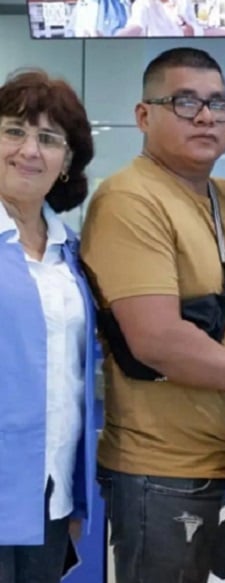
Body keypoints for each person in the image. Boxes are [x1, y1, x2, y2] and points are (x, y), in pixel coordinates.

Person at [79, 47, 225, 583]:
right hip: (167, 473)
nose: (207, 116)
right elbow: (158, 340)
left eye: (218, 104)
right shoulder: (129, 199)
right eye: (184, 102)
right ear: (144, 115)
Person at [0, 70, 97, 583]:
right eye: (14, 130)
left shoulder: (74, 252)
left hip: (50, 490)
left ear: (66, 163)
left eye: (49, 138)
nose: (29, 150)